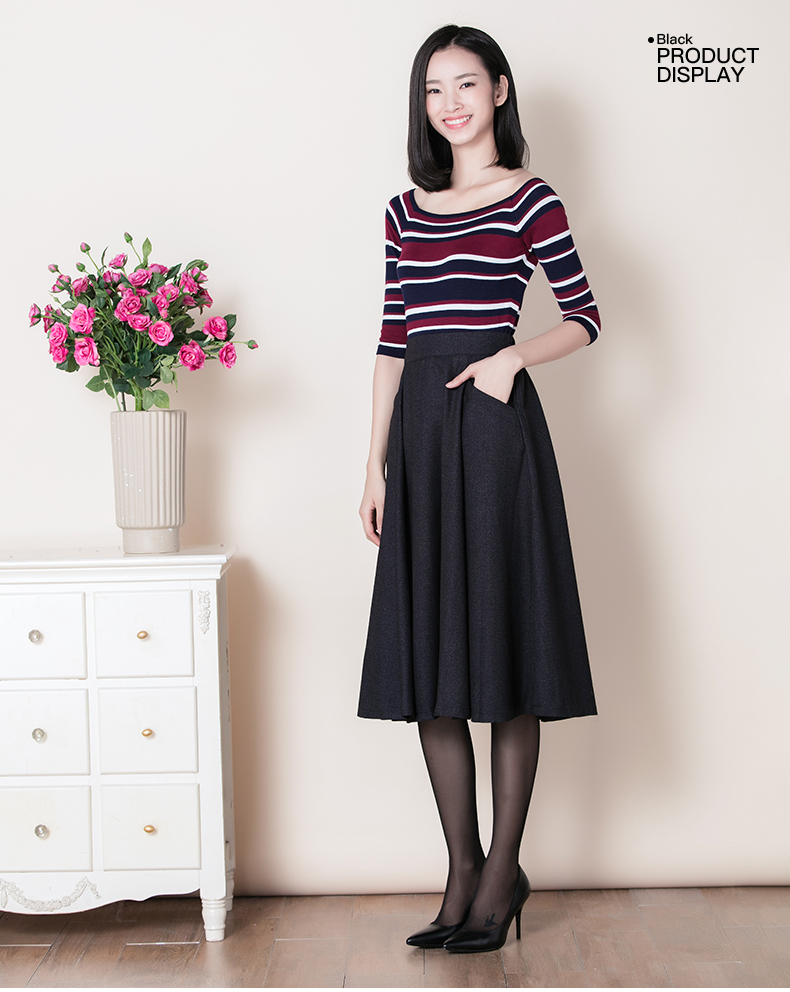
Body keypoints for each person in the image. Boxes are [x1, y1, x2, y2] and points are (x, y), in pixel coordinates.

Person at [357, 24, 599, 954]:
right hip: (420, 436)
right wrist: (373, 464)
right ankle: (460, 867)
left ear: (499, 89)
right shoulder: (403, 212)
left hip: (496, 436)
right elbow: (391, 342)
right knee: (430, 661)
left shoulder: (531, 198)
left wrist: (512, 358)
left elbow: (584, 315)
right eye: (433, 89)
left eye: (466, 84)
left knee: (502, 649)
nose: (450, 103)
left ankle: (503, 872)